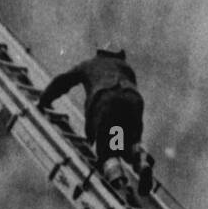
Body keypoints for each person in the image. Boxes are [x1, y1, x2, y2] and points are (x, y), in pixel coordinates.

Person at [38, 45, 154, 196]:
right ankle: (142, 163)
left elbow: (64, 81)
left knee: (109, 149)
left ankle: (118, 182)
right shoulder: (125, 66)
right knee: (129, 142)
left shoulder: (89, 64)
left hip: (107, 103)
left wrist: (44, 99)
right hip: (132, 102)